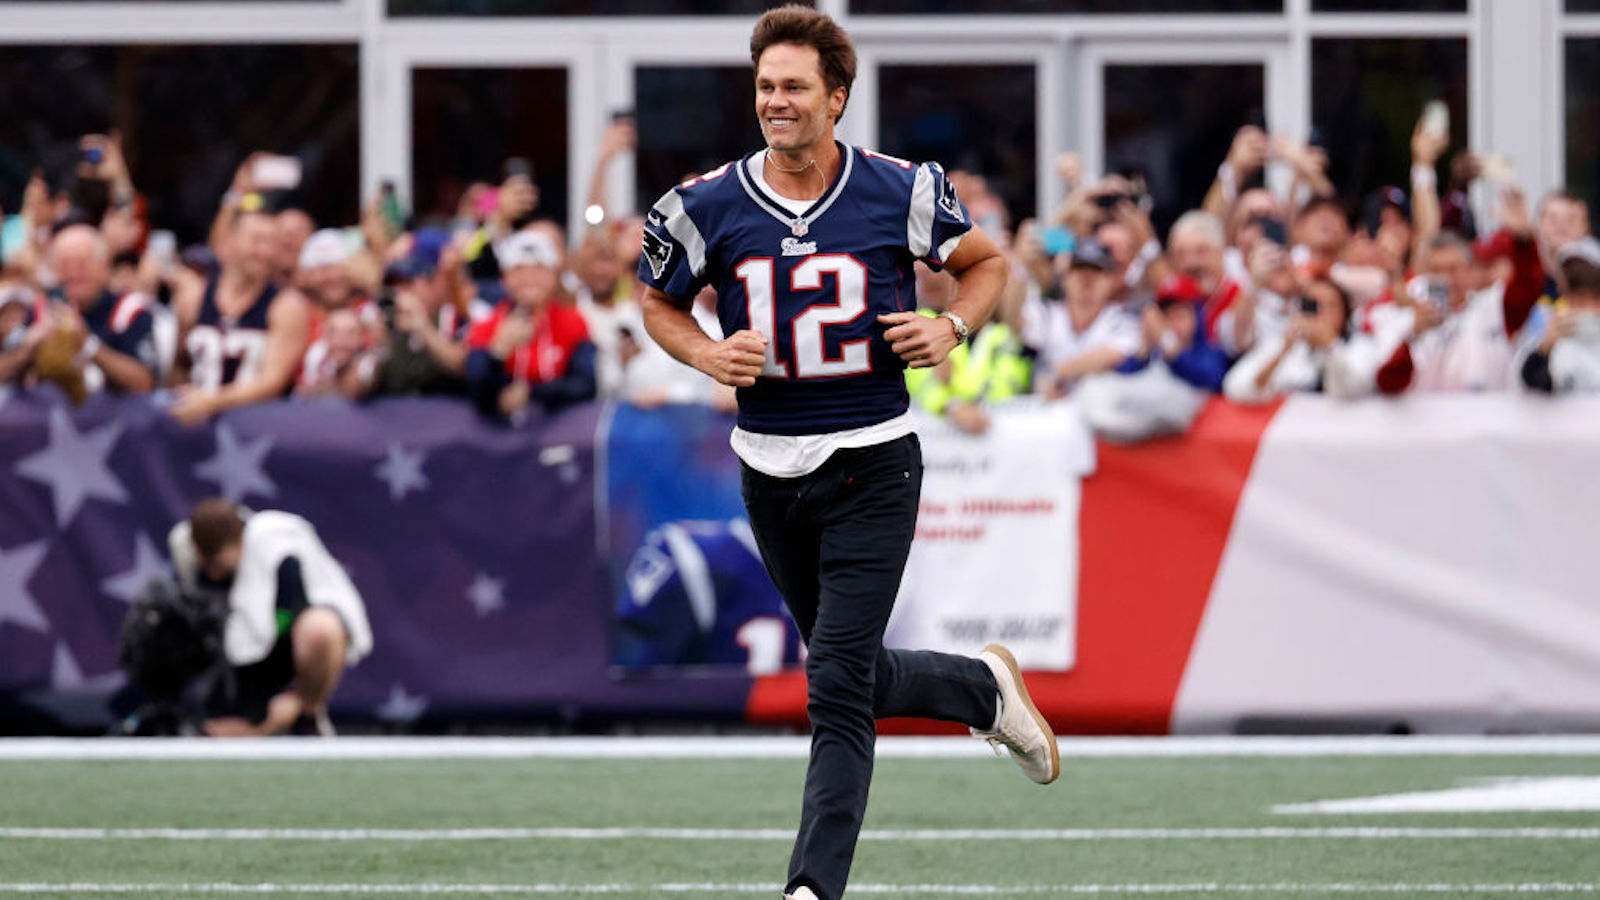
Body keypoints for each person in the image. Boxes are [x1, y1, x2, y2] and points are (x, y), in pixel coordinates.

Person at [636, 8, 1058, 900]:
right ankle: (982, 692)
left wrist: (951, 325)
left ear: (836, 96)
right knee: (848, 666)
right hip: (768, 464)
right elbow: (657, 301)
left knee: (831, 683)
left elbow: (988, 267)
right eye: (764, 87)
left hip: (872, 458)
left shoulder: (898, 188)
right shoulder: (706, 200)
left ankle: (810, 887)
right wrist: (707, 352)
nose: (775, 103)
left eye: (793, 87)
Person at [167, 498, 373, 737]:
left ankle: (304, 712)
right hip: (226, 670)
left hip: (279, 651)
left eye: (217, 561)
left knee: (319, 629)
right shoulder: (185, 549)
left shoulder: (277, 548)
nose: (212, 571)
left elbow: (288, 613)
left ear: (238, 543)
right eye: (206, 562)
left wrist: (289, 699)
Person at [169, 207, 311, 425]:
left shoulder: (286, 305)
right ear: (230, 242)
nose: (263, 252)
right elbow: (179, 364)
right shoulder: (194, 298)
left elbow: (273, 381)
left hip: (258, 433)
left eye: (271, 243)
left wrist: (212, 401)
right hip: (196, 430)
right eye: (256, 241)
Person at [463, 229, 596, 420]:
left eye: (539, 268)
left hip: (560, 435)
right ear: (504, 277)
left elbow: (586, 385)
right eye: (519, 269)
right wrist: (499, 349)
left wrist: (531, 393)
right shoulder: (486, 324)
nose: (529, 278)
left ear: (553, 275)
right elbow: (476, 390)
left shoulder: (574, 321)